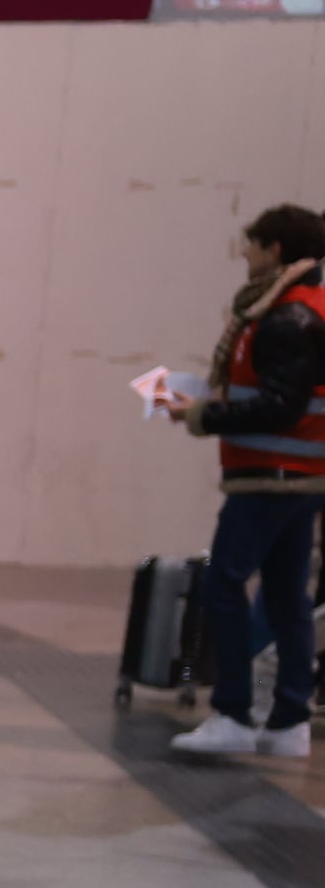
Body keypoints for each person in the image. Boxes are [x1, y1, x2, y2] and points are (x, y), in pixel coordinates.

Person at [164, 202, 325, 760]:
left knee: (224, 587)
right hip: (299, 475)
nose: (245, 254)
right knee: (287, 599)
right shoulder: (300, 308)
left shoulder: (288, 317)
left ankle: (232, 711)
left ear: (275, 249)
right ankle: (287, 723)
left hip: (269, 477)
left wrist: (202, 416)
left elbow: (282, 404)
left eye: (251, 243)